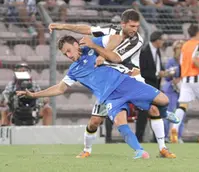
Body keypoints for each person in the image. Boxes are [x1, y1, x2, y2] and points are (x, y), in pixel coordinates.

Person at [17, 35, 174, 159]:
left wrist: (96, 48)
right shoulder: (74, 70)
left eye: (69, 50)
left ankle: (166, 120)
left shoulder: (92, 47)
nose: (68, 55)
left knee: (161, 103)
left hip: (125, 83)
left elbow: (116, 38)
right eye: (65, 54)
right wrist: (34, 95)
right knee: (96, 123)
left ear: (76, 44)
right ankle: (95, 149)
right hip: (108, 96)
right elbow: (60, 88)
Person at [49, 9, 178, 159]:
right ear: (123, 24)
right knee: (95, 121)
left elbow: (115, 57)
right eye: (132, 26)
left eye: (137, 26)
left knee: (154, 109)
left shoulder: (136, 40)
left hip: (131, 77)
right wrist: (62, 26)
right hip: (110, 81)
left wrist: (101, 53)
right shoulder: (111, 30)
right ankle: (87, 149)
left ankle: (163, 148)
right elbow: (86, 29)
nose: (135, 30)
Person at [137, 31, 177, 158]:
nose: (163, 42)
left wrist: (163, 73)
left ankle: (157, 140)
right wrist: (156, 74)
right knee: (143, 113)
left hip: (155, 86)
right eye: (162, 40)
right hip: (145, 86)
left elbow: (156, 67)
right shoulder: (144, 51)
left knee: (156, 112)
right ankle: (138, 138)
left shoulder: (157, 51)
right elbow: (141, 71)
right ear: (157, 40)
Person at [171, 24, 199, 143]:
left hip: (186, 80)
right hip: (197, 78)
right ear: (198, 33)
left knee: (182, 106)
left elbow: (181, 61)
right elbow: (195, 59)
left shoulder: (185, 45)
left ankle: (174, 128)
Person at [161, 40, 185, 143]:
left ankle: (178, 136)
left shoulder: (185, 61)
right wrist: (172, 79)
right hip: (171, 89)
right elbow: (166, 77)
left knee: (182, 113)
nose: (180, 51)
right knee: (168, 113)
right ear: (174, 50)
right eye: (178, 48)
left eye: (182, 48)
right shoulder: (171, 61)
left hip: (183, 89)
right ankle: (165, 136)